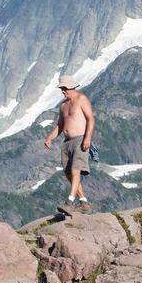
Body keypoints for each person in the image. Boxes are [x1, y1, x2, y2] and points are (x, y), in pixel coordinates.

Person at [44, 76, 95, 215]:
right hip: (66, 143)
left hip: (80, 139)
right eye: (61, 89)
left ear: (70, 87)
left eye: (64, 88)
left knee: (75, 169)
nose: (62, 91)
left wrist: (87, 138)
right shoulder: (63, 105)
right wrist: (50, 138)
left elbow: (90, 118)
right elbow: (60, 125)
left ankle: (69, 202)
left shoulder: (81, 99)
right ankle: (84, 202)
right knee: (69, 173)